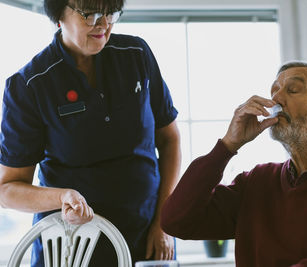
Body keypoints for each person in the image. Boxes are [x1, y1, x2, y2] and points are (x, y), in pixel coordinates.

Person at [161, 61, 307, 266]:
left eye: (293, 89)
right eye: (274, 91)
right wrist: (227, 146)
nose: (276, 98)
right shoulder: (256, 182)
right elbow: (176, 221)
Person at [0, 0, 181, 266]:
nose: (104, 24)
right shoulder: (30, 85)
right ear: (58, 15)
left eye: (111, 13)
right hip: (71, 247)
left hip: (148, 235)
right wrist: (61, 196)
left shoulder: (136, 54)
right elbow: (8, 190)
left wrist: (164, 222)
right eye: (91, 14)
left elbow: (170, 140)